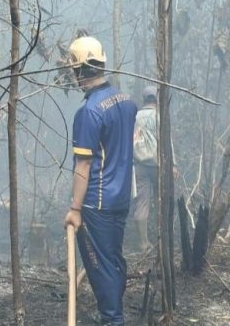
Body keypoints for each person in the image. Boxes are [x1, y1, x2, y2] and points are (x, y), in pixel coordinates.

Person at [63, 36, 137, 326]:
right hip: (120, 199)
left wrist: (76, 209)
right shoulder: (126, 101)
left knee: (101, 266)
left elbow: (84, 163)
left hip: (97, 202)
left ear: (80, 70)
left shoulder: (89, 112)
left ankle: (112, 320)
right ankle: (113, 315)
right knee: (114, 260)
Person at [132, 85, 159, 252]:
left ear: (144, 99)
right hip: (158, 166)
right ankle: (160, 239)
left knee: (142, 202)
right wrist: (174, 165)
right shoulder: (159, 116)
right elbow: (166, 142)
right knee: (160, 201)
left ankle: (143, 242)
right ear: (156, 99)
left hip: (140, 166)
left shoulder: (135, 116)